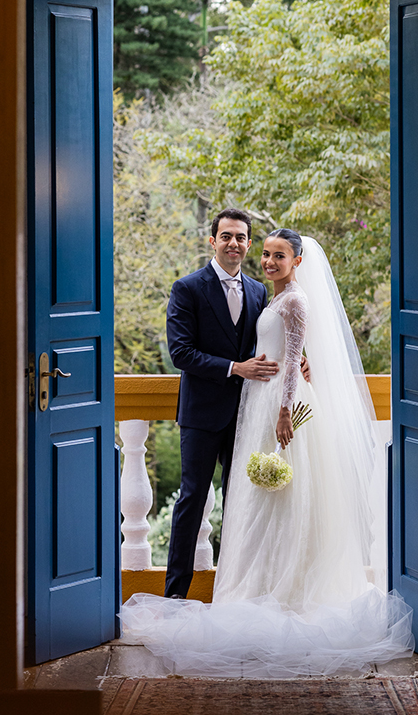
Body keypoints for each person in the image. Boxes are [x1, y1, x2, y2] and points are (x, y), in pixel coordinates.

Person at [122, 228, 414, 677]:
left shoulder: (284, 297)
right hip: (229, 408)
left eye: (276, 253)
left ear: (297, 261)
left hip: (276, 406)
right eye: (261, 251)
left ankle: (279, 591)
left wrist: (287, 403)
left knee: (279, 503)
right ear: (214, 241)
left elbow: (294, 345)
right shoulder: (198, 289)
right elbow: (183, 351)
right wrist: (248, 368)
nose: (264, 258)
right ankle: (184, 597)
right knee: (202, 498)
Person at [163, 208, 277, 599]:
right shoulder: (187, 289)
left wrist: (300, 359)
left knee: (240, 502)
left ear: (248, 243)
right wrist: (234, 368)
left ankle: (232, 592)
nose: (234, 243)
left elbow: (269, 341)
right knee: (193, 499)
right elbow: (181, 353)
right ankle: (175, 595)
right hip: (201, 414)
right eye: (226, 236)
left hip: (247, 413)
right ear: (213, 241)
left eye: (241, 237)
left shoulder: (259, 290)